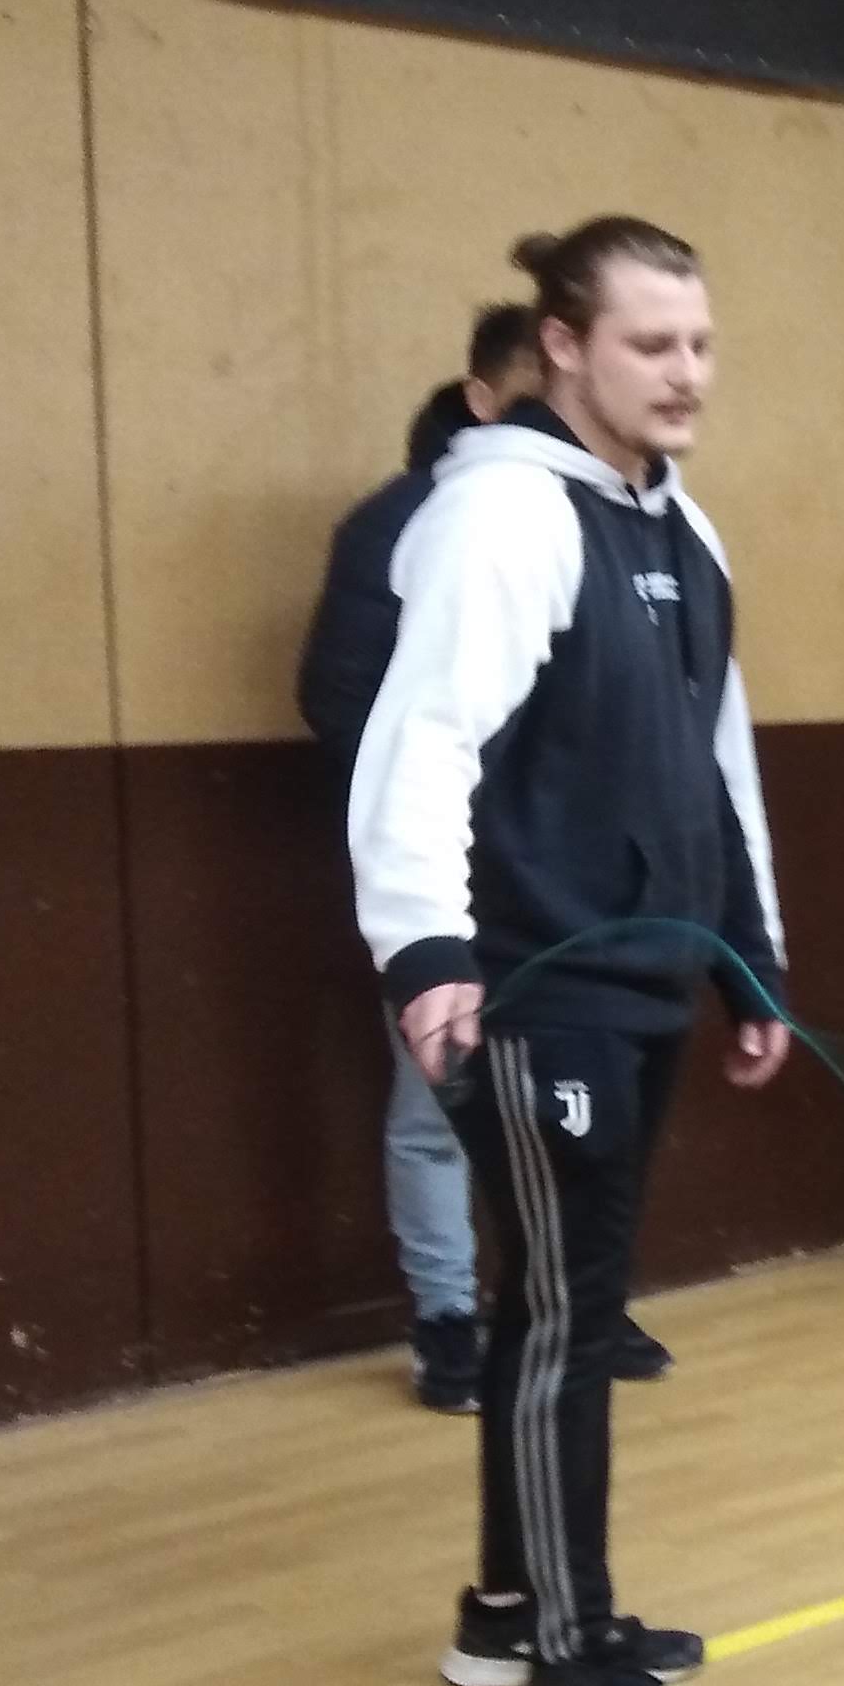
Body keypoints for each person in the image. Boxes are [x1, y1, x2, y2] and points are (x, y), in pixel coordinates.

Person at [351, 218, 790, 1686]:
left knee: (561, 1305)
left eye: (700, 343)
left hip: (648, 980)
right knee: (566, 1318)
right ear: (563, 347)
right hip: (535, 989)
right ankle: (568, 1659)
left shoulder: (682, 529)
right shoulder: (502, 518)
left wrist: (749, 952)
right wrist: (426, 953)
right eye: (650, 344)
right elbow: (423, 741)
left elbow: (715, 760)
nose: (686, 373)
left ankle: (505, 1606)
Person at [301, 304, 539, 1411]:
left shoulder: (603, 519)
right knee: (437, 1106)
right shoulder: (397, 525)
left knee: (565, 1099)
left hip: (566, 875)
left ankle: (563, 1299)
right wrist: (440, 803)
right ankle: (448, 1323)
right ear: (482, 399)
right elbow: (339, 695)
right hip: (446, 870)